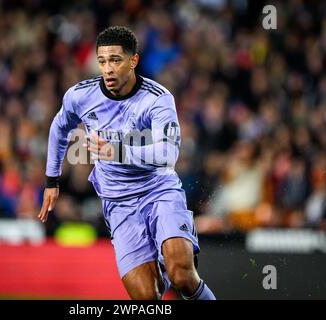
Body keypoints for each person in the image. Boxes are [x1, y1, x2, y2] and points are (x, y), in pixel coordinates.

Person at [38, 26, 215, 300]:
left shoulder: (157, 99)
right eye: (102, 61)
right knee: (146, 297)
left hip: (159, 192)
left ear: (133, 61)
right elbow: (59, 127)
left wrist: (117, 151)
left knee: (182, 275)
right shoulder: (80, 96)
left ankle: (170, 260)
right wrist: (52, 180)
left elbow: (168, 154)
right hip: (118, 204)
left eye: (115, 60)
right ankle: (161, 264)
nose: (107, 69)